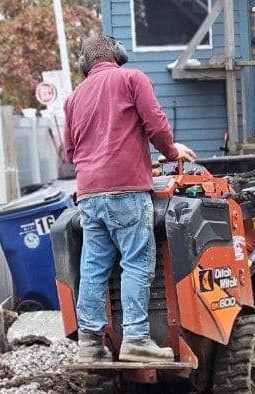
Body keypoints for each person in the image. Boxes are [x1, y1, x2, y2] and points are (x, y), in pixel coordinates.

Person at [64, 35, 196, 361]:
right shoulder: (132, 78)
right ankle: (136, 337)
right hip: (126, 191)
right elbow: (156, 125)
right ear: (119, 55)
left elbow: (71, 152)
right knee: (136, 261)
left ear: (85, 65)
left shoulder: (72, 99)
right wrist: (170, 151)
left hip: (88, 195)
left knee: (94, 268)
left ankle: (90, 344)